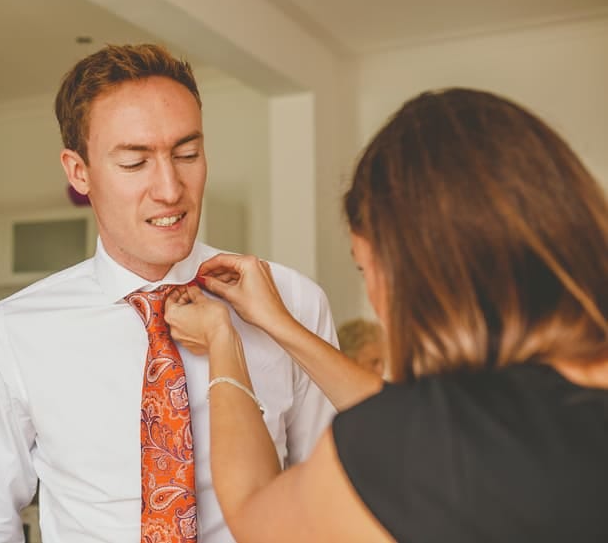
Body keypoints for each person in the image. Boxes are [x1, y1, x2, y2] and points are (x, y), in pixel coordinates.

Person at [0, 44, 361, 543]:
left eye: (187, 154)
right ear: (79, 172)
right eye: (134, 163)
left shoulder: (293, 303)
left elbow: (334, 496)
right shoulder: (17, 331)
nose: (170, 189)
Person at [164, 88, 608, 542]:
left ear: (411, 268)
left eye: (364, 267)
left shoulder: (427, 451)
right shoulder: (517, 419)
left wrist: (223, 342)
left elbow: (253, 508)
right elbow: (429, 425)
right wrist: (280, 324)